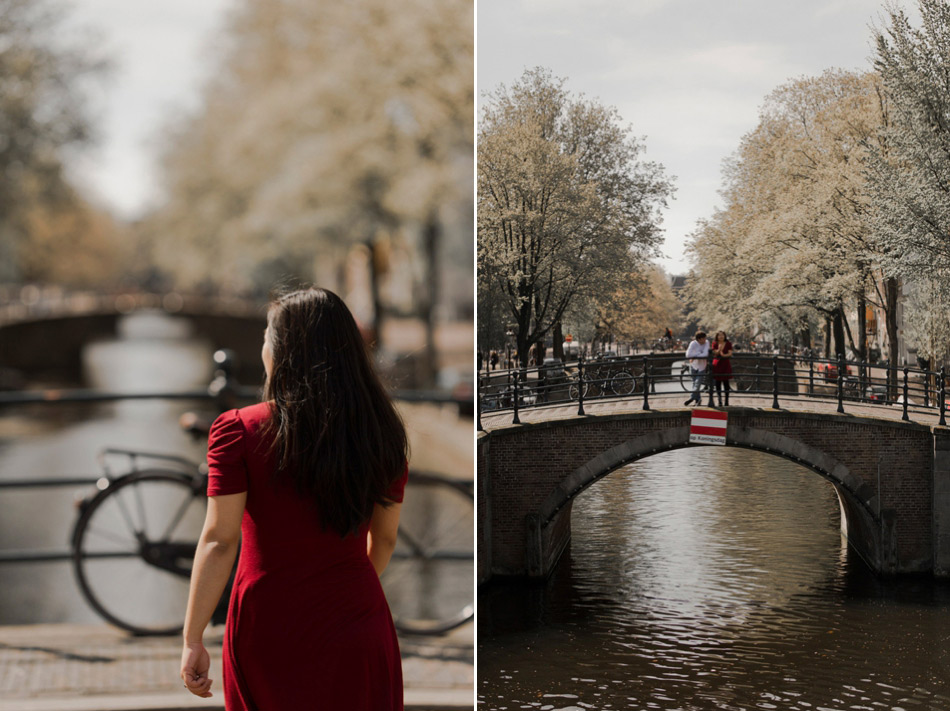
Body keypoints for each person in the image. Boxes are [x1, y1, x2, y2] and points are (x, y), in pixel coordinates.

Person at [180, 287, 409, 710]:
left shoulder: (238, 431)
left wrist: (193, 637)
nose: (262, 345)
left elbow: (219, 540)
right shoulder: (384, 432)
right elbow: (387, 539)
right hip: (359, 624)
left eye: (268, 335)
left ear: (284, 350)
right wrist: (345, 594)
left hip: (269, 627)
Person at [684, 330, 709, 406]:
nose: (705, 340)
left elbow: (705, 354)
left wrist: (694, 356)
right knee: (694, 383)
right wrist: (699, 354)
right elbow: (688, 355)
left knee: (697, 383)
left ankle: (692, 398)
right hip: (693, 366)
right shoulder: (693, 343)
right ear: (699, 339)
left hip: (702, 366)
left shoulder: (707, 343)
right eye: (703, 338)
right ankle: (698, 399)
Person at [710, 330, 734, 406]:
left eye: (722, 335)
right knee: (718, 383)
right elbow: (715, 353)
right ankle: (719, 400)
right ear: (717, 336)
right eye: (719, 335)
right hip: (717, 364)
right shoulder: (714, 343)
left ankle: (726, 401)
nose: (721, 336)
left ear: (725, 336)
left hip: (725, 364)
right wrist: (719, 349)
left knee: (726, 383)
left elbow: (730, 353)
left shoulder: (728, 343)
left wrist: (724, 355)